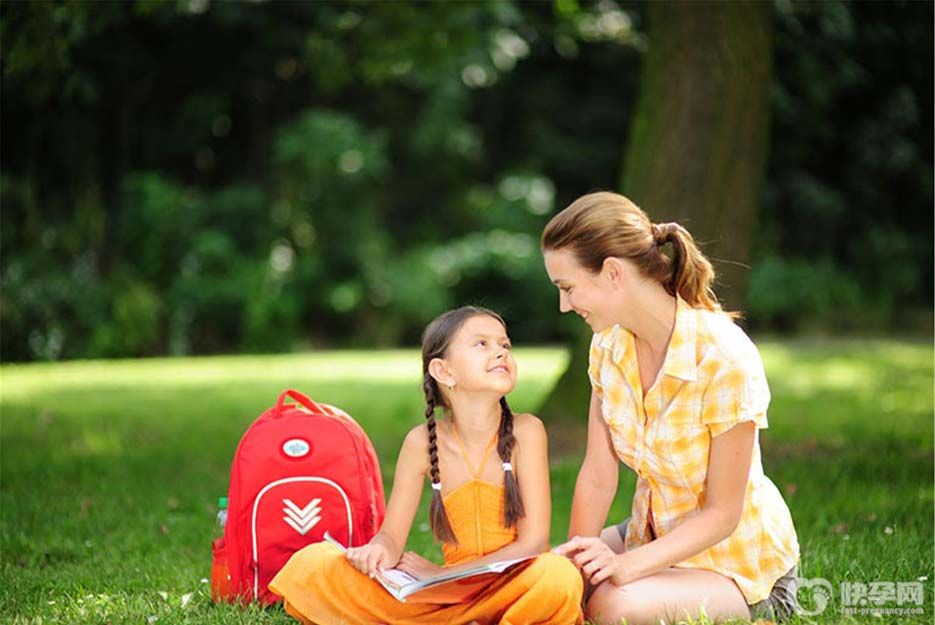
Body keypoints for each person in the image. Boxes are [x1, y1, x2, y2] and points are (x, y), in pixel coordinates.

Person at [543, 192, 800, 624]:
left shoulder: (722, 356)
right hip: (652, 533)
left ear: (612, 273)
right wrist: (573, 573)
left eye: (567, 288)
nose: (564, 305)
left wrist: (624, 567)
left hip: (738, 566)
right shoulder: (608, 346)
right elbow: (598, 474)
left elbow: (723, 514)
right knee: (544, 579)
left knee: (610, 605)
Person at [269, 306, 583, 625]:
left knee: (559, 576)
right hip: (441, 598)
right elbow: (391, 537)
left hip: (512, 588)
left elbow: (534, 543)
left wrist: (443, 574)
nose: (501, 353)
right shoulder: (420, 443)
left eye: (505, 345)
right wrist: (376, 551)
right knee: (312, 563)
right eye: (482, 344)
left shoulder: (527, 431)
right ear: (443, 371)